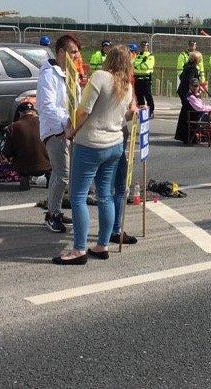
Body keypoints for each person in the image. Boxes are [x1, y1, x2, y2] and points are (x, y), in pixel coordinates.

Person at [54, 44, 135, 265]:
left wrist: (72, 131)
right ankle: (102, 245)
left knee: (78, 196)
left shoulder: (100, 77)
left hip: (90, 144)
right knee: (105, 195)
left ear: (109, 58)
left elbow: (83, 110)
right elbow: (125, 115)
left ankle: (79, 249)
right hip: (114, 144)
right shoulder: (127, 86)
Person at [37, 34, 82, 233]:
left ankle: (56, 210)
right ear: (61, 52)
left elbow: (77, 101)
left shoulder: (70, 74)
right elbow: (47, 106)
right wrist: (67, 122)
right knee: (62, 173)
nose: (77, 56)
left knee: (66, 173)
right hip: (55, 131)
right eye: (73, 52)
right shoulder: (49, 75)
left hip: (70, 130)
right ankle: (51, 214)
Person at [3, 101, 51, 191]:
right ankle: (49, 177)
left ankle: (24, 178)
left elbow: (7, 152)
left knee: (19, 156)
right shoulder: (44, 122)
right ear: (33, 112)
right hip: (46, 164)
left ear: (20, 113)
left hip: (24, 166)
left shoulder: (13, 127)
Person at [111, 122, 138, 246]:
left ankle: (112, 230)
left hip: (109, 143)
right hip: (112, 144)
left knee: (112, 191)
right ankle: (115, 231)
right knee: (117, 190)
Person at [174, 51, 205, 143]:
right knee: (191, 113)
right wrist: (195, 91)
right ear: (197, 59)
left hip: (183, 91)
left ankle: (184, 136)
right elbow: (191, 81)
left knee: (185, 113)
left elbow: (182, 78)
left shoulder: (186, 67)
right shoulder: (192, 69)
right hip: (187, 93)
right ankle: (189, 136)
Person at [133, 40, 155, 117]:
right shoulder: (138, 55)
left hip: (146, 79)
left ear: (147, 47)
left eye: (144, 46)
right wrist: (139, 64)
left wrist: (137, 65)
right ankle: (142, 111)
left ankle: (151, 111)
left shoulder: (150, 56)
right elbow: (133, 64)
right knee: (139, 96)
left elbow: (146, 66)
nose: (143, 47)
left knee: (148, 96)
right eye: (142, 46)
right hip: (137, 78)